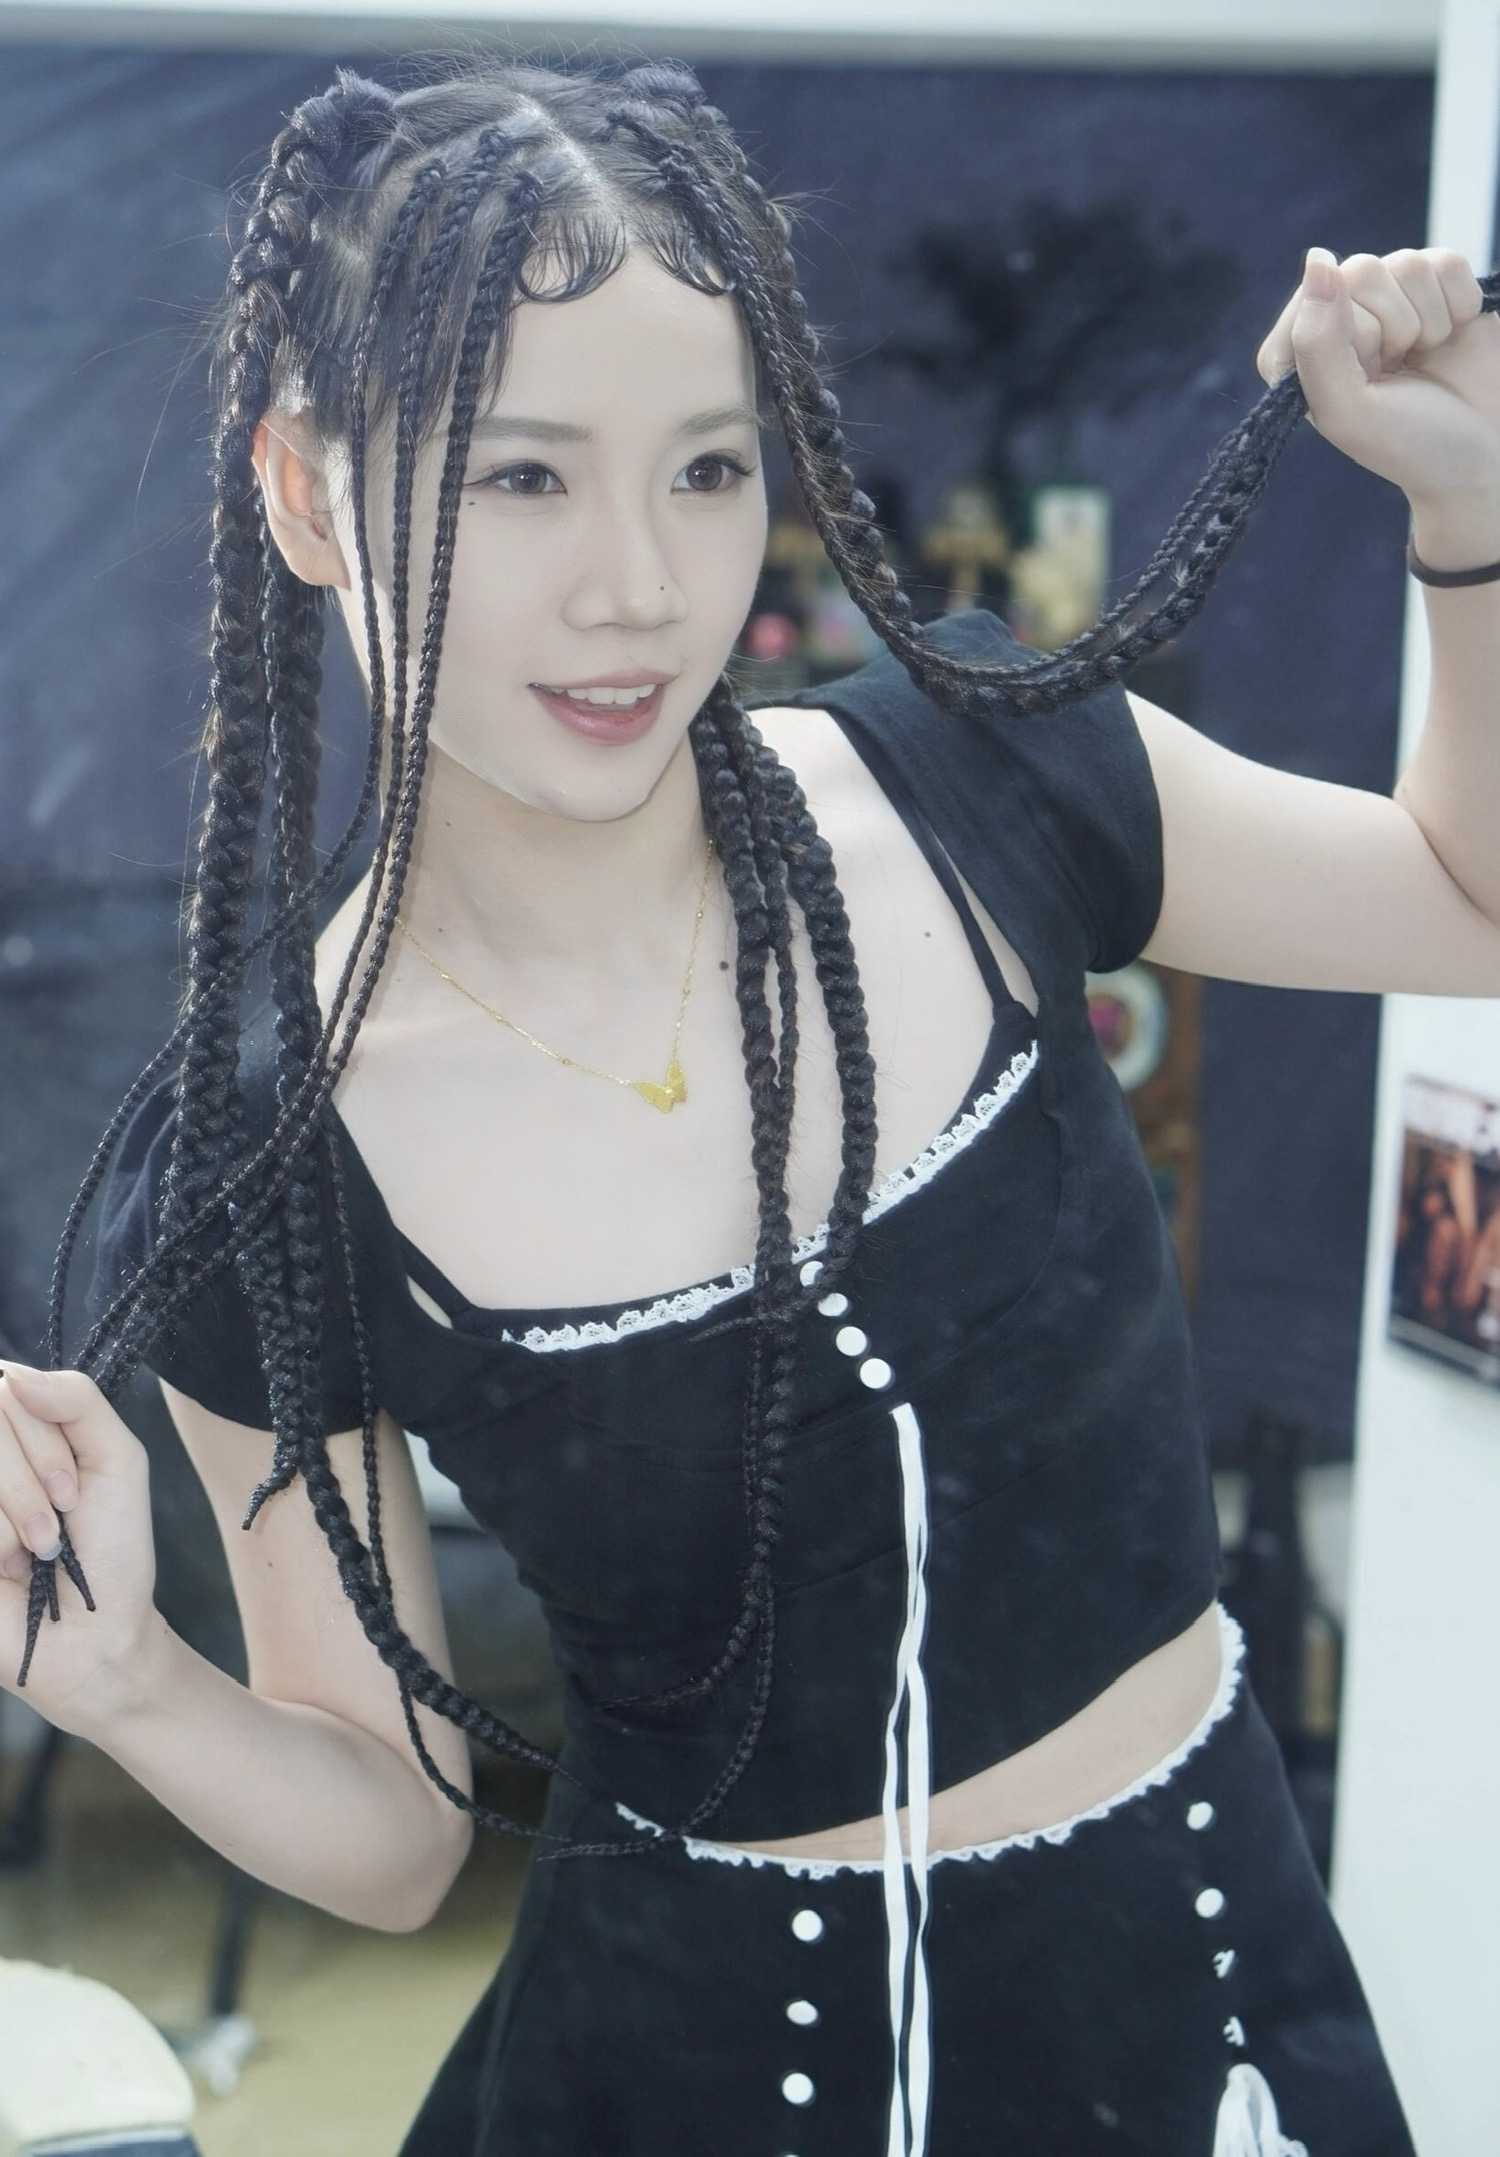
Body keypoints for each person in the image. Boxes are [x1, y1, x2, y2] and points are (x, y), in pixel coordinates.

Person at [0, 58, 1496, 2156]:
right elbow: (405, 1828)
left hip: (1209, 2020)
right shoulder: (265, 1154)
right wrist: (125, 1676)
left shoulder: (986, 771)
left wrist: (1469, 516)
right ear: (310, 495)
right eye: (525, 477)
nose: (638, 582)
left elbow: (1466, 902)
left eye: (706, 467)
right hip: (684, 2076)